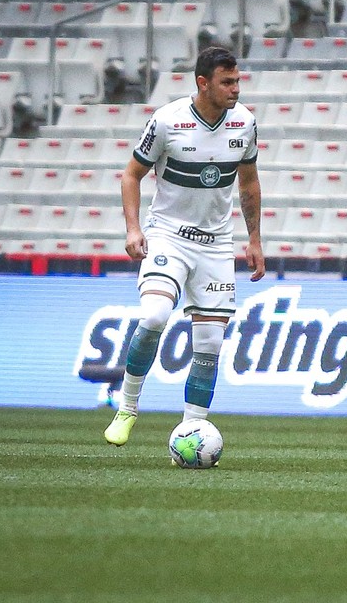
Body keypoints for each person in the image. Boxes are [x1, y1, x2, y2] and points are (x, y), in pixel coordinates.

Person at [104, 46, 265, 446]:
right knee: (156, 314)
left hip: (215, 244)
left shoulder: (244, 123)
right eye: (227, 82)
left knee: (209, 344)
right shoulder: (167, 121)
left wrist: (255, 239)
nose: (235, 89)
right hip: (169, 236)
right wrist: (132, 229)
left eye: (238, 80)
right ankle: (127, 407)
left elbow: (248, 183)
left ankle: (191, 429)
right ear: (202, 83)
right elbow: (131, 174)